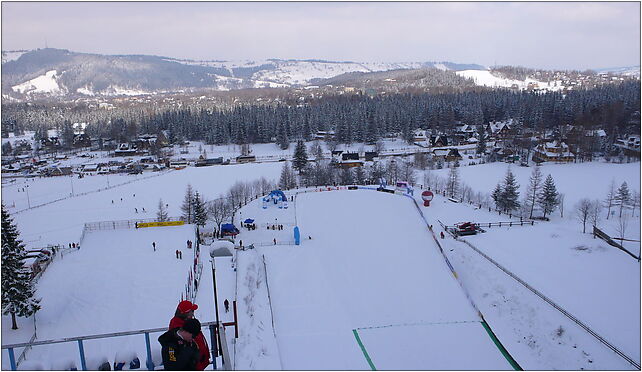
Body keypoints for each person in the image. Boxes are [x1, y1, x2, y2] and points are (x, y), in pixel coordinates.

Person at [168, 301, 210, 370]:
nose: (193, 314)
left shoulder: (188, 323)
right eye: (192, 311)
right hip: (193, 365)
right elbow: (187, 351)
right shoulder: (180, 328)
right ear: (185, 313)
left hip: (198, 363)